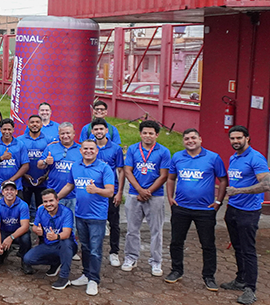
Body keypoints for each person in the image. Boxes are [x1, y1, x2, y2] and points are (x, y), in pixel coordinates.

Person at [164, 128, 228, 290]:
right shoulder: (177, 157)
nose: (190, 141)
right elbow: (171, 178)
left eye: (193, 138)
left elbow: (223, 180)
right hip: (181, 208)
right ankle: (176, 270)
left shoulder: (213, 157)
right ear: (183, 141)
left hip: (205, 210)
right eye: (186, 138)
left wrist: (218, 201)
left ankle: (209, 276)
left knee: (208, 244)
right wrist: (170, 198)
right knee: (176, 242)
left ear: (200, 139)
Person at [59, 139, 115, 296]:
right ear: (81, 150)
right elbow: (69, 185)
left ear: (97, 151)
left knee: (95, 249)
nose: (88, 151)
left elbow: (110, 191)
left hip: (97, 216)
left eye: (91, 149)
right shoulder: (75, 166)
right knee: (85, 247)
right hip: (80, 214)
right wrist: (56, 198)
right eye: (85, 148)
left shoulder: (104, 168)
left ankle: (94, 280)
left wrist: (97, 190)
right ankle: (86, 274)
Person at [223, 126, 270, 305]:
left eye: (239, 138)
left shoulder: (256, 158)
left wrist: (238, 191)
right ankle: (240, 279)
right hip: (233, 208)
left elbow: (266, 185)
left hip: (249, 211)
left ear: (247, 138)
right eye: (232, 138)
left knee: (248, 250)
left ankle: (250, 289)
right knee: (237, 247)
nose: (235, 141)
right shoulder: (233, 158)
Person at [123, 120, 171, 275]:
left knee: (156, 230)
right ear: (140, 134)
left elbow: (163, 175)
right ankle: (131, 257)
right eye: (144, 133)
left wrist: (148, 191)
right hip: (134, 194)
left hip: (155, 196)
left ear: (157, 135)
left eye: (151, 133)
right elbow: (128, 171)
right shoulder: (133, 149)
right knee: (132, 229)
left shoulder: (163, 151)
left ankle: (156, 262)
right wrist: (139, 190)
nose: (147, 136)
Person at [22, 189, 77, 289]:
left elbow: (67, 233)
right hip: (49, 244)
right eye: (45, 201)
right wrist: (37, 230)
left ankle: (64, 277)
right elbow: (34, 227)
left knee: (66, 243)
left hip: (64, 244)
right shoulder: (41, 210)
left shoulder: (66, 212)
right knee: (28, 259)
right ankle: (55, 263)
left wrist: (56, 236)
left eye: (51, 200)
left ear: (57, 200)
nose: (48, 204)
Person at [90, 118, 125, 267]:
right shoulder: (89, 147)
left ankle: (114, 252)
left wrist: (119, 192)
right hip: (93, 193)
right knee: (93, 223)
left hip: (111, 192)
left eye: (101, 129)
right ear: (92, 131)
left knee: (114, 224)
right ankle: (92, 251)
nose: (99, 132)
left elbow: (121, 171)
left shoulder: (116, 149)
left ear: (106, 131)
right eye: (96, 129)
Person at [0, 180, 32, 270]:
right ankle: (3, 253)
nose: (9, 192)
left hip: (18, 233)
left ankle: (25, 261)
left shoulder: (23, 205)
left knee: (26, 238)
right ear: (2, 192)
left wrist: (11, 238)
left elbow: (25, 226)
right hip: (4, 232)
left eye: (12, 189)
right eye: (6, 189)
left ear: (16, 192)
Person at [0, 119, 28, 205]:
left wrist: (10, 181)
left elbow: (25, 166)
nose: (7, 132)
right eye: (4, 129)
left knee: (16, 211)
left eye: (9, 129)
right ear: (0, 129)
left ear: (13, 130)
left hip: (16, 186)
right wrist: (1, 158)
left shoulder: (20, 144)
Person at [19, 115, 52, 220]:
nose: (34, 124)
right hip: (24, 181)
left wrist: (45, 176)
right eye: (32, 122)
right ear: (28, 124)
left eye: (37, 122)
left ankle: (41, 229)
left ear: (41, 125)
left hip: (43, 181)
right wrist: (23, 175)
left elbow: (52, 162)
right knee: (23, 210)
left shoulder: (49, 140)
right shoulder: (20, 140)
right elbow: (17, 161)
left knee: (43, 211)